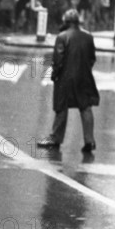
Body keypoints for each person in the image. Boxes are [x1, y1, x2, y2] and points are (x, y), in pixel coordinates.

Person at [37, 9, 99, 152]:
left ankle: (56, 138)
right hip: (84, 77)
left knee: (61, 107)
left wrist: (55, 75)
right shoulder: (88, 37)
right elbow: (92, 59)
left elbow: (58, 59)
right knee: (85, 107)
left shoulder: (62, 36)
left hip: (65, 78)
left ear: (66, 21)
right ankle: (90, 141)